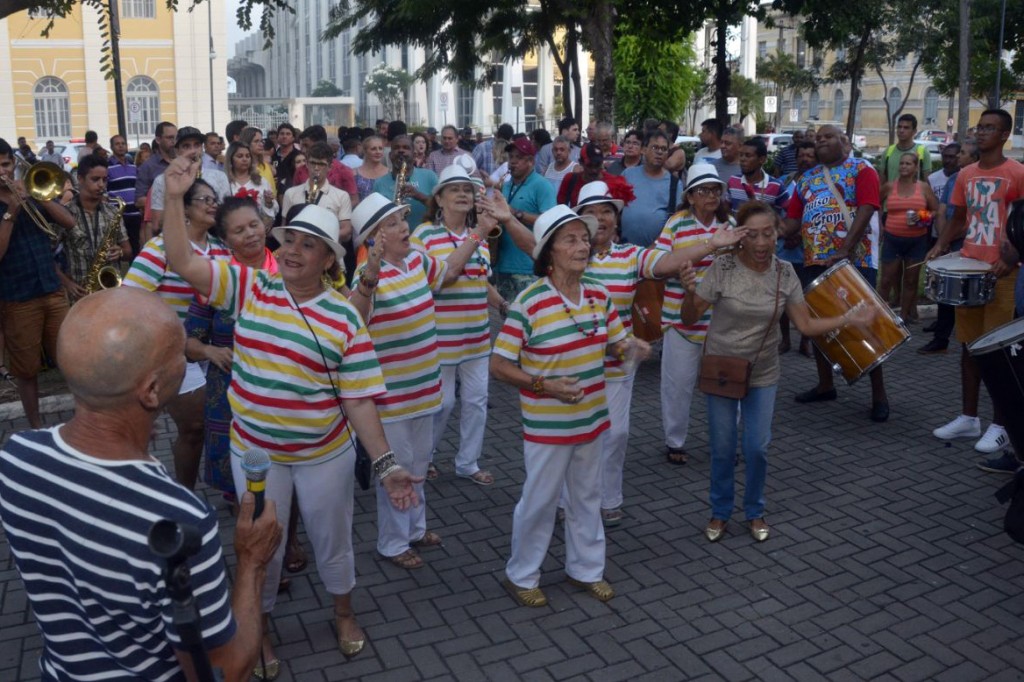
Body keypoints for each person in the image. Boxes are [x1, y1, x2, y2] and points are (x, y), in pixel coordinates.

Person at [160, 156, 422, 671]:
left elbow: (359, 398)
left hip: (324, 454)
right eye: (290, 240)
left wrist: (388, 467)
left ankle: (344, 612)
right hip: (256, 456)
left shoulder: (345, 316)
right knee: (262, 550)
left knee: (333, 540)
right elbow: (182, 261)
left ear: (329, 258)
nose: (294, 250)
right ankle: (258, 632)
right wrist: (172, 198)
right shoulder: (250, 288)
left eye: (310, 244)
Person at [0, 286, 282, 681]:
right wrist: (252, 563)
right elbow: (227, 668)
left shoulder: (17, 458)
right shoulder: (176, 521)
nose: (186, 360)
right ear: (150, 390)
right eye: (179, 354)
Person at [679, 202, 877, 543]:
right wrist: (689, 290)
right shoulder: (722, 268)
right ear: (739, 237)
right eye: (752, 235)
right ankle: (720, 511)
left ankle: (754, 510)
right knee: (723, 448)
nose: (760, 243)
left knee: (757, 448)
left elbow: (805, 324)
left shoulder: (784, 272)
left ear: (777, 235)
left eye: (767, 234)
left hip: (763, 370)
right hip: (723, 369)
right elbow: (688, 318)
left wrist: (849, 319)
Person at [574, 180, 744, 524]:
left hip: (618, 362)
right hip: (573, 364)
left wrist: (711, 243)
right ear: (579, 222)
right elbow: (531, 244)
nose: (600, 218)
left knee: (616, 433)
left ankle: (608, 499)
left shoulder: (630, 256)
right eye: (590, 213)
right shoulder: (564, 257)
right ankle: (570, 501)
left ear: (617, 219)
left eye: (607, 211)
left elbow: (668, 262)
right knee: (577, 438)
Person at [491, 204, 630, 607]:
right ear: (549, 251)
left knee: (587, 497)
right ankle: (521, 575)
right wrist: (543, 384)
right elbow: (498, 364)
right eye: (571, 239)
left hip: (591, 420)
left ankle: (586, 569)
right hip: (547, 425)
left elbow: (616, 344)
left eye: (585, 238)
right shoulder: (529, 302)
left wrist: (629, 348)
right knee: (539, 500)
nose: (583, 244)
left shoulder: (599, 295)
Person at [350, 190, 493, 568]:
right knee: (396, 467)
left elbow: (448, 271)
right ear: (373, 237)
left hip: (424, 388)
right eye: (393, 223)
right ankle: (393, 542)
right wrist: (371, 272)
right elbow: (354, 319)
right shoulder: (367, 274)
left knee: (419, 461)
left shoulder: (416, 259)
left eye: (402, 219)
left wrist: (478, 234)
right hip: (392, 395)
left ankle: (415, 528)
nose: (404, 227)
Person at [926, 109, 1024, 469]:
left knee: (998, 351)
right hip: (969, 267)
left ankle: (1001, 424)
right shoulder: (965, 174)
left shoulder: (1017, 173)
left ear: (1004, 136)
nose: (982, 133)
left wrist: (1013, 258)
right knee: (969, 347)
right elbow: (959, 218)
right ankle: (969, 419)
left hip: (1003, 273)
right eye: (980, 127)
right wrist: (940, 245)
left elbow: (1023, 223)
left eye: (990, 128)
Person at [125, 178, 232, 489]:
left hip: (210, 351)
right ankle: (182, 494)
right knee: (196, 424)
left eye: (215, 199)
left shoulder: (221, 251)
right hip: (169, 351)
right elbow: (130, 298)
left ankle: (205, 489)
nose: (213, 204)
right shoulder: (161, 248)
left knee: (199, 428)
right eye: (204, 199)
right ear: (184, 208)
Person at [783, 124, 890, 422]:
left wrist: (845, 248)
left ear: (844, 141)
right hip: (814, 262)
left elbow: (869, 207)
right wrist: (770, 229)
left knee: (864, 325)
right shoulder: (806, 179)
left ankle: (879, 395)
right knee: (820, 325)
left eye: (827, 137)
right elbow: (792, 220)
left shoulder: (861, 169)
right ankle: (825, 384)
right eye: (817, 139)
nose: (821, 142)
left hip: (855, 262)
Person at [412, 166, 510, 485]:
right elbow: (445, 277)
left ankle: (468, 462)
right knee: (442, 404)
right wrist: (478, 233)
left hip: (477, 337)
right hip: (440, 339)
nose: (463, 194)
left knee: (477, 401)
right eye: (454, 189)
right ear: (438, 198)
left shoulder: (478, 239)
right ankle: (423, 458)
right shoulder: (423, 236)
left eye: (467, 189)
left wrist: (502, 305)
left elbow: (481, 281)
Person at [184, 196, 272, 503]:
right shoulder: (217, 280)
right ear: (225, 239)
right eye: (239, 230)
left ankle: (290, 542)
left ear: (265, 224)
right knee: (242, 489)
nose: (250, 234)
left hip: (280, 390)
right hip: (229, 392)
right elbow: (188, 342)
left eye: (254, 224)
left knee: (286, 469)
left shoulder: (289, 271)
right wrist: (210, 352)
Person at [656, 164, 736, 465]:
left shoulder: (729, 223)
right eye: (704, 190)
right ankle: (674, 441)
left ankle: (727, 441)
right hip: (681, 317)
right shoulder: (676, 224)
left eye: (716, 189)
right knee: (678, 384)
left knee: (727, 383)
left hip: (723, 319)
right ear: (690, 196)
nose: (711, 195)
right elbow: (661, 263)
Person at [0, 138, 77, 428]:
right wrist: (11, 212)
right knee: (27, 369)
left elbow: (68, 222)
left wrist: (36, 194)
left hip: (52, 288)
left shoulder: (30, 192)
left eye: (7, 164)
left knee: (69, 359)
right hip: (17, 296)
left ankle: (83, 420)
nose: (3, 171)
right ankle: (35, 428)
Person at [920, 141, 977, 354]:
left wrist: (949, 236)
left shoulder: (976, 180)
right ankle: (941, 338)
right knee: (945, 291)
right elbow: (942, 211)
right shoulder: (954, 179)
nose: (957, 157)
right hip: (948, 240)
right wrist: (942, 241)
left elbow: (971, 218)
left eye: (962, 153)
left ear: (973, 159)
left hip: (966, 242)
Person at [878, 152, 940, 323]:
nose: (904, 166)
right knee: (885, 281)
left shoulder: (923, 188)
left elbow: (936, 209)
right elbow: (874, 204)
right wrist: (880, 225)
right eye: (902, 163)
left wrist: (924, 216)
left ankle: (903, 317)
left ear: (916, 167)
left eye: (908, 164)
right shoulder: (890, 187)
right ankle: (879, 316)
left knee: (911, 281)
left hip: (916, 241)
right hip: (892, 239)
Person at [60, 154, 132, 301]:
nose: (101, 185)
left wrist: (120, 252)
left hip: (110, 292)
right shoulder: (65, 213)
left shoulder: (113, 212)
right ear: (80, 179)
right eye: (95, 179)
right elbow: (48, 256)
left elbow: (129, 251)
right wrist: (67, 283)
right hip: (80, 292)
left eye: (105, 180)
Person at [495, 137, 556, 300]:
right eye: (511, 157)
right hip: (504, 264)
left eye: (519, 158)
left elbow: (550, 222)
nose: (512, 162)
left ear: (531, 161)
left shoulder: (542, 185)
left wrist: (515, 213)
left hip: (529, 266)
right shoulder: (506, 185)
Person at [149, 127, 231, 237]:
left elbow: (227, 217)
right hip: (176, 240)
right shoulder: (162, 180)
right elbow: (156, 225)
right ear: (177, 151)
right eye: (186, 146)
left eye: (197, 145)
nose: (193, 151)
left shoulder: (219, 177)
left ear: (202, 149)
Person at [283, 141, 353, 245]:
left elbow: (346, 231)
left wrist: (318, 238)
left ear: (330, 167)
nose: (316, 168)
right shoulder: (290, 193)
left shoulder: (342, 196)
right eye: (313, 163)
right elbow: (285, 226)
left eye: (321, 164)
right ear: (306, 164)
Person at [621, 130, 678, 247]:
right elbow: (616, 208)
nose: (659, 152)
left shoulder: (674, 184)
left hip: (657, 252)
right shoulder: (628, 174)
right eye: (655, 147)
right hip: (624, 250)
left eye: (664, 149)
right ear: (644, 150)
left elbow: (676, 221)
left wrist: (656, 244)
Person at [374, 134, 438, 231]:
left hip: (426, 238)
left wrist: (419, 196)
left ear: (414, 155)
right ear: (390, 155)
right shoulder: (379, 183)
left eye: (406, 148)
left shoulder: (430, 176)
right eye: (396, 148)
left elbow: (442, 207)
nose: (401, 150)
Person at [225, 141, 279, 227]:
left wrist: (268, 203)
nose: (245, 159)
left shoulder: (261, 181)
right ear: (231, 159)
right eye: (240, 156)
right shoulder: (224, 182)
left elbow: (273, 210)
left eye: (248, 156)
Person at [135, 121, 176, 209]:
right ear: (158, 140)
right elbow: (139, 200)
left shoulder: (183, 162)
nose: (174, 141)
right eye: (169, 138)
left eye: (176, 137)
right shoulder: (148, 166)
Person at [880, 113, 929, 184]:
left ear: (914, 131)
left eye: (906, 128)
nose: (901, 130)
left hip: (915, 194)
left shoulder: (923, 152)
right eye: (899, 127)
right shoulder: (888, 151)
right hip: (892, 194)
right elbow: (882, 181)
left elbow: (927, 182)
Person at [239, 127, 278, 196]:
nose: (261, 144)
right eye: (256, 141)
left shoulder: (265, 166)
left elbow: (273, 194)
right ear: (247, 143)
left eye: (261, 141)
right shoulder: (241, 167)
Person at [356, 134, 390, 200]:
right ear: (365, 151)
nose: (378, 152)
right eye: (373, 149)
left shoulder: (390, 173)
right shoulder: (354, 173)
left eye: (380, 148)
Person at [272, 122, 301, 199]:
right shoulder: (272, 156)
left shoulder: (299, 157)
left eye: (288, 134)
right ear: (277, 137)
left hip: (293, 196)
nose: (284, 136)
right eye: (282, 134)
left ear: (293, 138)